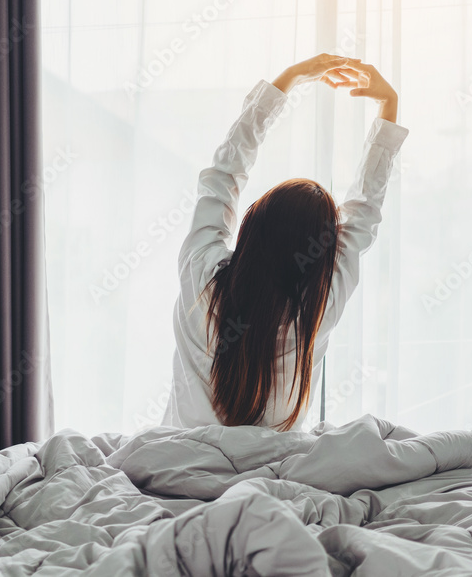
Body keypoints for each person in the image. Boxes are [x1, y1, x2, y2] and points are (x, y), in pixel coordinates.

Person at [161, 53, 408, 432]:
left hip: (174, 465)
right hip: (270, 477)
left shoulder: (201, 272)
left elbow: (224, 175)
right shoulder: (318, 305)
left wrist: (289, 79)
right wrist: (388, 104)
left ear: (252, 222)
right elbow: (363, 212)